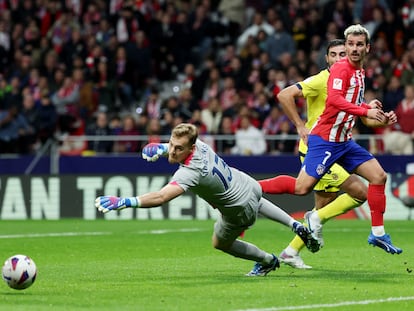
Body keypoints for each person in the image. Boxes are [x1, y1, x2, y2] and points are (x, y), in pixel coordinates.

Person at [95, 123, 320, 277]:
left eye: (178, 149)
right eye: (171, 144)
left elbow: (162, 197)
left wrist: (125, 202)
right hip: (246, 183)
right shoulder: (200, 145)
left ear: (190, 148)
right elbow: (176, 146)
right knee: (255, 198)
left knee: (220, 243)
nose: (172, 152)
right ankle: (295, 224)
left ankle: (267, 261)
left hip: (238, 209)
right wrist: (160, 148)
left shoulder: (190, 172)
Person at [259, 24, 403, 257]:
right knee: (301, 187)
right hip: (324, 141)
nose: (353, 49)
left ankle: (377, 234)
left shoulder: (359, 72)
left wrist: (377, 114)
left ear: (368, 48)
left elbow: (351, 108)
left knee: (378, 177)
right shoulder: (339, 71)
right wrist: (364, 111)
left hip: (344, 143)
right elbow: (335, 101)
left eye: (358, 45)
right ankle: (252, 187)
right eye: (350, 45)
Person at [272, 39, 370, 269]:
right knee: (359, 192)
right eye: (333, 54)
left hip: (337, 148)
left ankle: (290, 251)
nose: (338, 58)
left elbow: (362, 116)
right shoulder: (320, 80)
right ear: (326, 59)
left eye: (342, 54)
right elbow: (284, 95)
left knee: (322, 208)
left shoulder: (352, 79)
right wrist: (299, 125)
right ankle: (255, 188)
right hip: (318, 149)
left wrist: (374, 111)